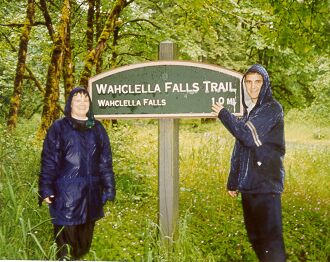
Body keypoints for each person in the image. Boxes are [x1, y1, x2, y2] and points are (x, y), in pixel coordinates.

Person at [212, 64, 286, 261]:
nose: (253, 87)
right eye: (249, 82)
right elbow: (240, 149)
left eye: (258, 82)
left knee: (271, 243)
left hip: (266, 186)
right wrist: (233, 181)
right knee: (256, 239)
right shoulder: (249, 112)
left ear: (265, 84)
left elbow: (247, 136)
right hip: (249, 186)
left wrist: (223, 114)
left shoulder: (271, 109)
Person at [39, 87, 116, 260]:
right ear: (70, 103)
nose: (82, 103)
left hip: (91, 195)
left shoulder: (97, 128)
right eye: (77, 99)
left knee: (83, 246)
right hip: (66, 197)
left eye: (85, 100)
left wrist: (109, 187)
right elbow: (49, 160)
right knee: (66, 248)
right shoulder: (59, 128)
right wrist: (45, 188)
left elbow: (105, 161)